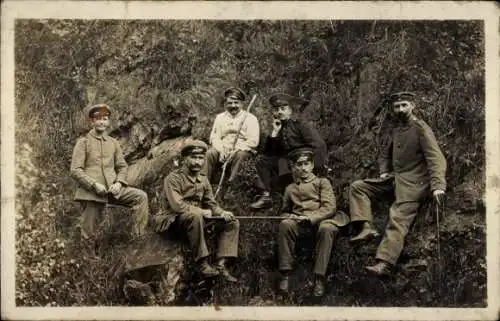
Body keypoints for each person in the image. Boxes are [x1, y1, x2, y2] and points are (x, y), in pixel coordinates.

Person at [348, 91, 447, 276]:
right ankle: (366, 227)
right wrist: (384, 171)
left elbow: (436, 158)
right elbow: (385, 153)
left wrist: (438, 186)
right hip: (395, 178)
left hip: (414, 184)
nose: (400, 109)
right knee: (358, 187)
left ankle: (384, 263)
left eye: (404, 105)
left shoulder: (421, 128)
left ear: (412, 106)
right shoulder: (395, 129)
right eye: (396, 106)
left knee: (398, 218)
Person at [156, 139, 239, 281]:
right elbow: (177, 206)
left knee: (232, 222)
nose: (197, 162)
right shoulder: (173, 179)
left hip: (194, 221)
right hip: (172, 221)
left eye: (201, 158)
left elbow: (211, 203)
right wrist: (200, 211)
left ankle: (221, 264)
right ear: (184, 159)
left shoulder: (203, 179)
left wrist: (221, 213)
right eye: (193, 157)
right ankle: (201, 263)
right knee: (194, 216)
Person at [70, 104, 149, 248]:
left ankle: (137, 241)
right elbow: (75, 170)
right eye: (98, 119)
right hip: (91, 193)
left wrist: (119, 183)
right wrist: (93, 185)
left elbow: (122, 167)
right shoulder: (83, 143)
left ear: (108, 122)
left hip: (113, 190)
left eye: (105, 119)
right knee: (89, 234)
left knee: (141, 197)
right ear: (92, 121)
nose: (101, 122)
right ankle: (89, 263)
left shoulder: (113, 143)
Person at [277, 147, 349, 296]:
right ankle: (285, 274)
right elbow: (284, 211)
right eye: (299, 164)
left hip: (323, 221)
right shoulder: (290, 188)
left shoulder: (322, 182)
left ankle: (319, 278)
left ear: (311, 165)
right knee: (285, 224)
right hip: (301, 226)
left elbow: (330, 207)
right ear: (294, 167)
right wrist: (289, 216)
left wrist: (310, 217)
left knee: (326, 228)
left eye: (306, 164)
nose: (303, 168)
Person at [250, 93, 328, 209]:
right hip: (286, 164)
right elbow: (269, 153)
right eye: (276, 109)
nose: (279, 112)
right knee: (262, 160)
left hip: (302, 162)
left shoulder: (300, 124)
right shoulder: (279, 126)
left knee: (291, 172)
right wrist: (275, 133)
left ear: (290, 110)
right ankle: (266, 196)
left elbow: (319, 145)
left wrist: (316, 167)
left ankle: (297, 198)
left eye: (283, 108)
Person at [205, 87, 260, 183]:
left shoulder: (250, 118)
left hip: (241, 150)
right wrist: (221, 150)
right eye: (229, 103)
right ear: (225, 104)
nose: (233, 106)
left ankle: (232, 185)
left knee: (241, 155)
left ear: (242, 103)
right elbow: (215, 137)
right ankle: (202, 184)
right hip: (223, 149)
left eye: (236, 103)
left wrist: (235, 150)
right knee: (209, 154)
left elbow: (253, 141)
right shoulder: (220, 118)